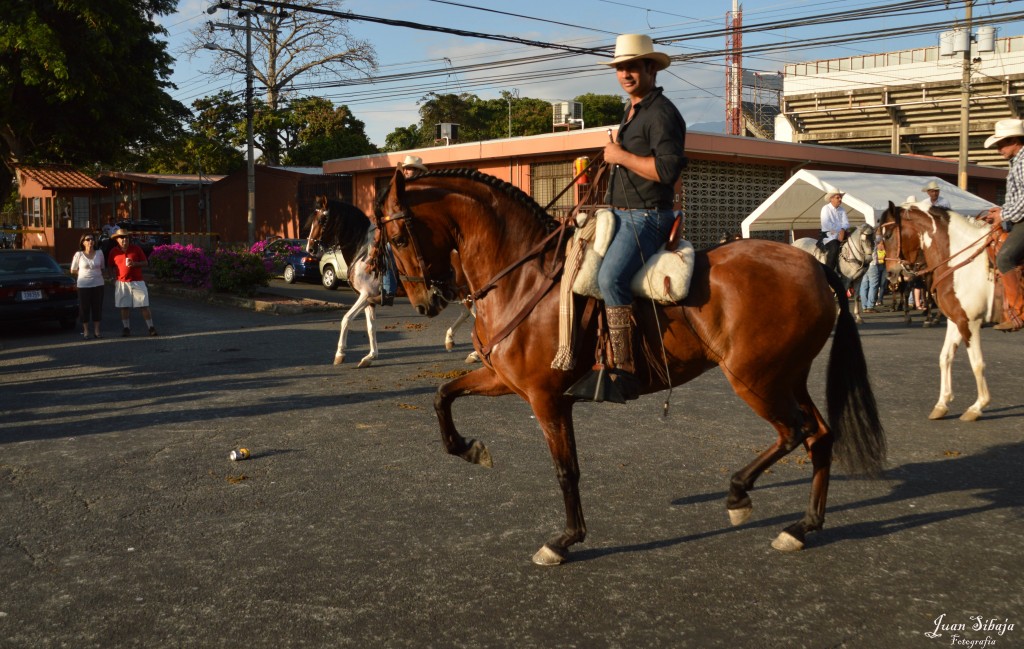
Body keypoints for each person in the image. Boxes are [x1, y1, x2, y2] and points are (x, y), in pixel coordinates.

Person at [592, 33, 687, 400]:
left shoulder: (662, 114)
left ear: (651, 68)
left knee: (610, 279)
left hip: (647, 217)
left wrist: (620, 156)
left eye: (632, 67)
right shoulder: (633, 109)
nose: (625, 74)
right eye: (620, 68)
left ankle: (627, 369)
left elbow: (667, 172)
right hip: (617, 214)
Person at [981, 118, 1024, 331]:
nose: (998, 149)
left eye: (1001, 143)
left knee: (1005, 257)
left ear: (1015, 140)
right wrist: (1001, 212)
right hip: (1018, 218)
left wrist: (1004, 214)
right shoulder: (1016, 161)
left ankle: (1018, 312)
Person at [107, 228, 158, 336]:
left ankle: (151, 327)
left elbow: (145, 262)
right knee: (124, 306)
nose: (124, 239)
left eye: (126, 237)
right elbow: (110, 266)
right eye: (122, 237)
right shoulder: (113, 252)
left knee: (144, 305)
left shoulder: (136, 249)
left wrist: (135, 264)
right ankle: (126, 328)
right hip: (121, 282)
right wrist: (112, 279)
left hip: (137, 281)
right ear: (117, 239)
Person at [70, 233, 106, 339]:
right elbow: (73, 270)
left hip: (98, 284)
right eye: (88, 239)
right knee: (84, 308)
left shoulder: (99, 253)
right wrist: (83, 274)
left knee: (97, 307)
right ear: (83, 242)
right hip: (83, 285)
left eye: (92, 239)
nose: (90, 241)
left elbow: (102, 267)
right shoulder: (79, 254)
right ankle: (85, 331)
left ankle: (97, 330)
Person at [818, 189, 849, 272]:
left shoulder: (842, 210)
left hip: (841, 233)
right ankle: (828, 272)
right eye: (838, 197)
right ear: (831, 199)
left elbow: (846, 223)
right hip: (828, 236)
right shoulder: (825, 208)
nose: (840, 199)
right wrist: (840, 230)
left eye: (840, 198)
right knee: (834, 248)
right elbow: (826, 224)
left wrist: (843, 229)